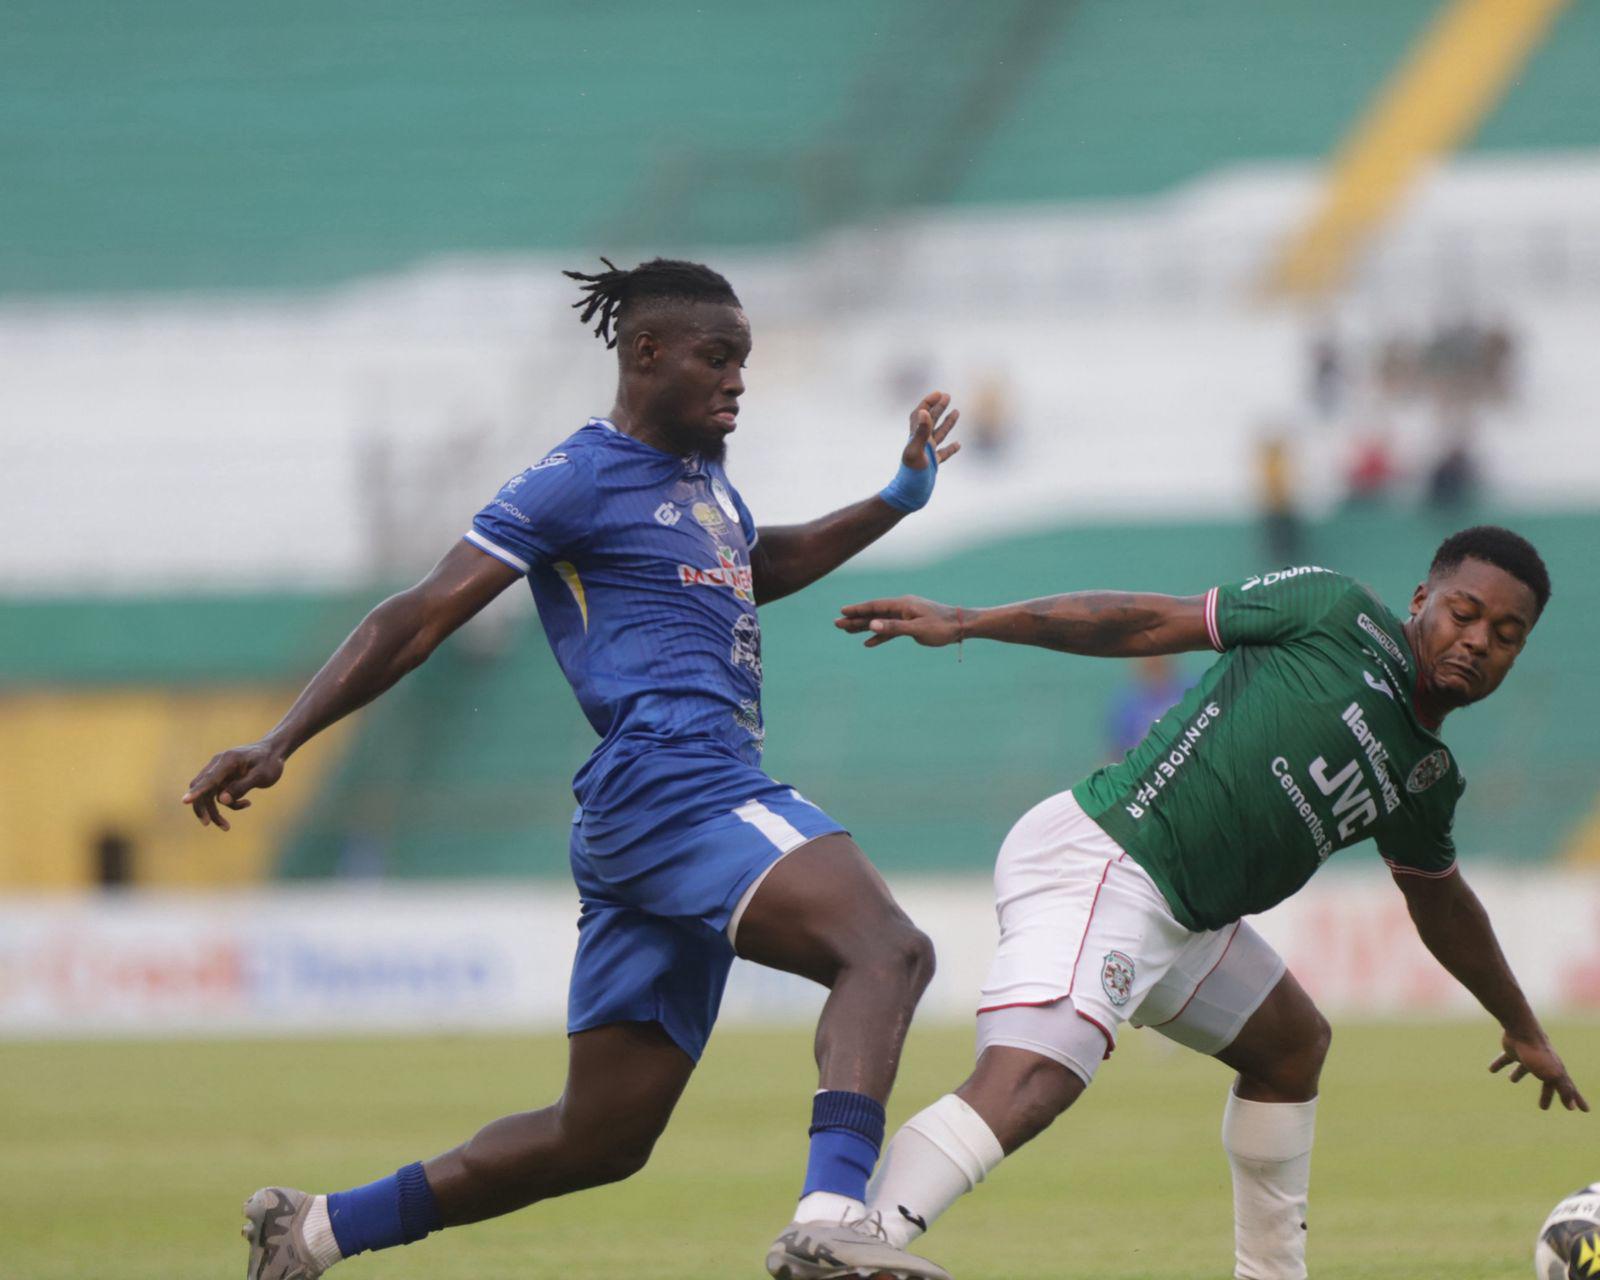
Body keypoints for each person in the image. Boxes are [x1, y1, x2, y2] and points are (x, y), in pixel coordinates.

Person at [183, 258, 963, 1280]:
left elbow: (754, 565)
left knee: (598, 1137)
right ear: (646, 353)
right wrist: (282, 738)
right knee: (887, 949)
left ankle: (316, 1228)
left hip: (649, 812)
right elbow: (419, 613)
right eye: (717, 357)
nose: (738, 380)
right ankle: (829, 1217)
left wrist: (895, 497)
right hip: (675, 780)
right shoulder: (578, 475)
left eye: (745, 361)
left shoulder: (700, 480)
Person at [834, 525, 1586, 1280]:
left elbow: (1442, 903)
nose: (1479, 640)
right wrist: (969, 621)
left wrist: (1521, 1026)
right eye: (1465, 613)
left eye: (1506, 633)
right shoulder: (1334, 612)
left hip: (1185, 919)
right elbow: (1151, 620)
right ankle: (859, 1241)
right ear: (1422, 598)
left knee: (1290, 1047)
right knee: (1040, 1073)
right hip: (1114, 855)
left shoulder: (1426, 774)